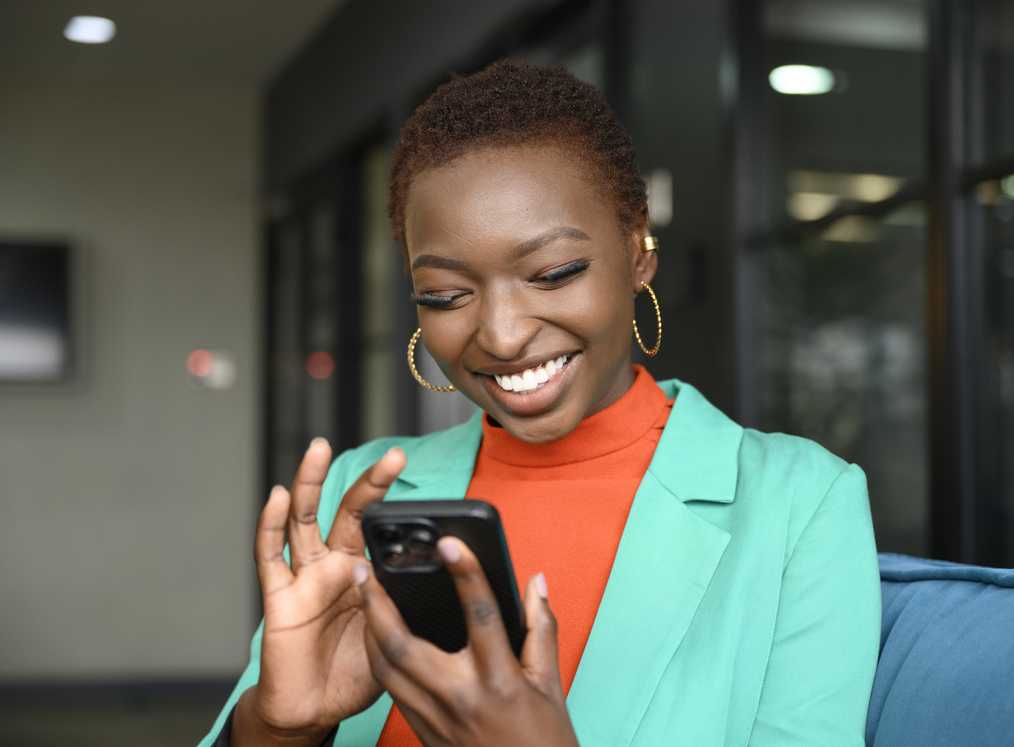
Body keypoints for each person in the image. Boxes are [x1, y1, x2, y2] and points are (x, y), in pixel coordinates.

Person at [199, 60, 880, 747]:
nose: (500, 334)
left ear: (638, 248)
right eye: (445, 294)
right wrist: (276, 728)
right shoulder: (364, 497)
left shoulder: (801, 504)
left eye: (552, 274)